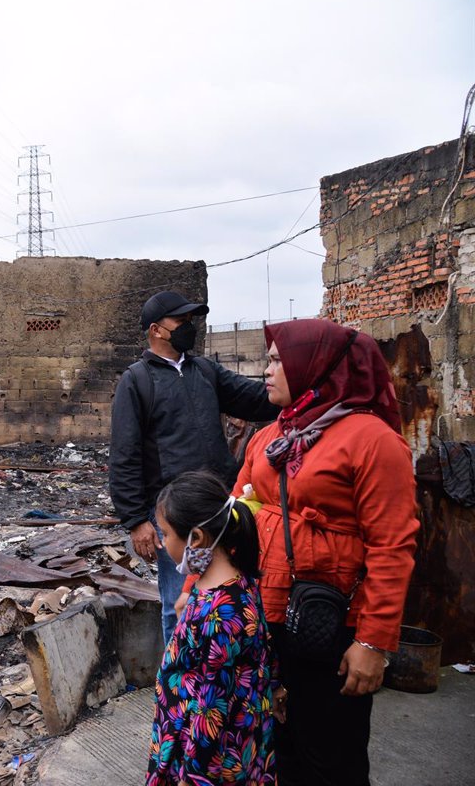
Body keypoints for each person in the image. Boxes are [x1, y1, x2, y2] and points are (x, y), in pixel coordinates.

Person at [236, 318, 418, 786]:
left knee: (331, 755)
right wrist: (198, 589)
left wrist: (373, 643)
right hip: (267, 616)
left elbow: (392, 547)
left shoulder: (372, 441)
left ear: (314, 366)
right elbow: (234, 519)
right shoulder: (272, 435)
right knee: (278, 747)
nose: (267, 371)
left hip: (333, 624)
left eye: (278, 361)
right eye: (269, 359)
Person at [110, 290, 279, 643]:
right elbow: (124, 454)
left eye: (191, 320)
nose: (189, 327)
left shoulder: (204, 370)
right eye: (181, 321)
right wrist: (136, 520)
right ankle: (179, 682)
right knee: (178, 600)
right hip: (174, 511)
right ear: (156, 330)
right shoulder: (137, 380)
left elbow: (254, 399)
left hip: (221, 502)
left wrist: (297, 392)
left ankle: (224, 665)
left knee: (231, 587)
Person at [146, 470, 278, 786]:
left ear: (198, 538)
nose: (163, 544)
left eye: (165, 534)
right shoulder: (232, 581)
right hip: (204, 735)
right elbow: (264, 648)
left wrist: (193, 776)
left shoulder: (220, 613)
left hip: (207, 757)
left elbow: (210, 708)